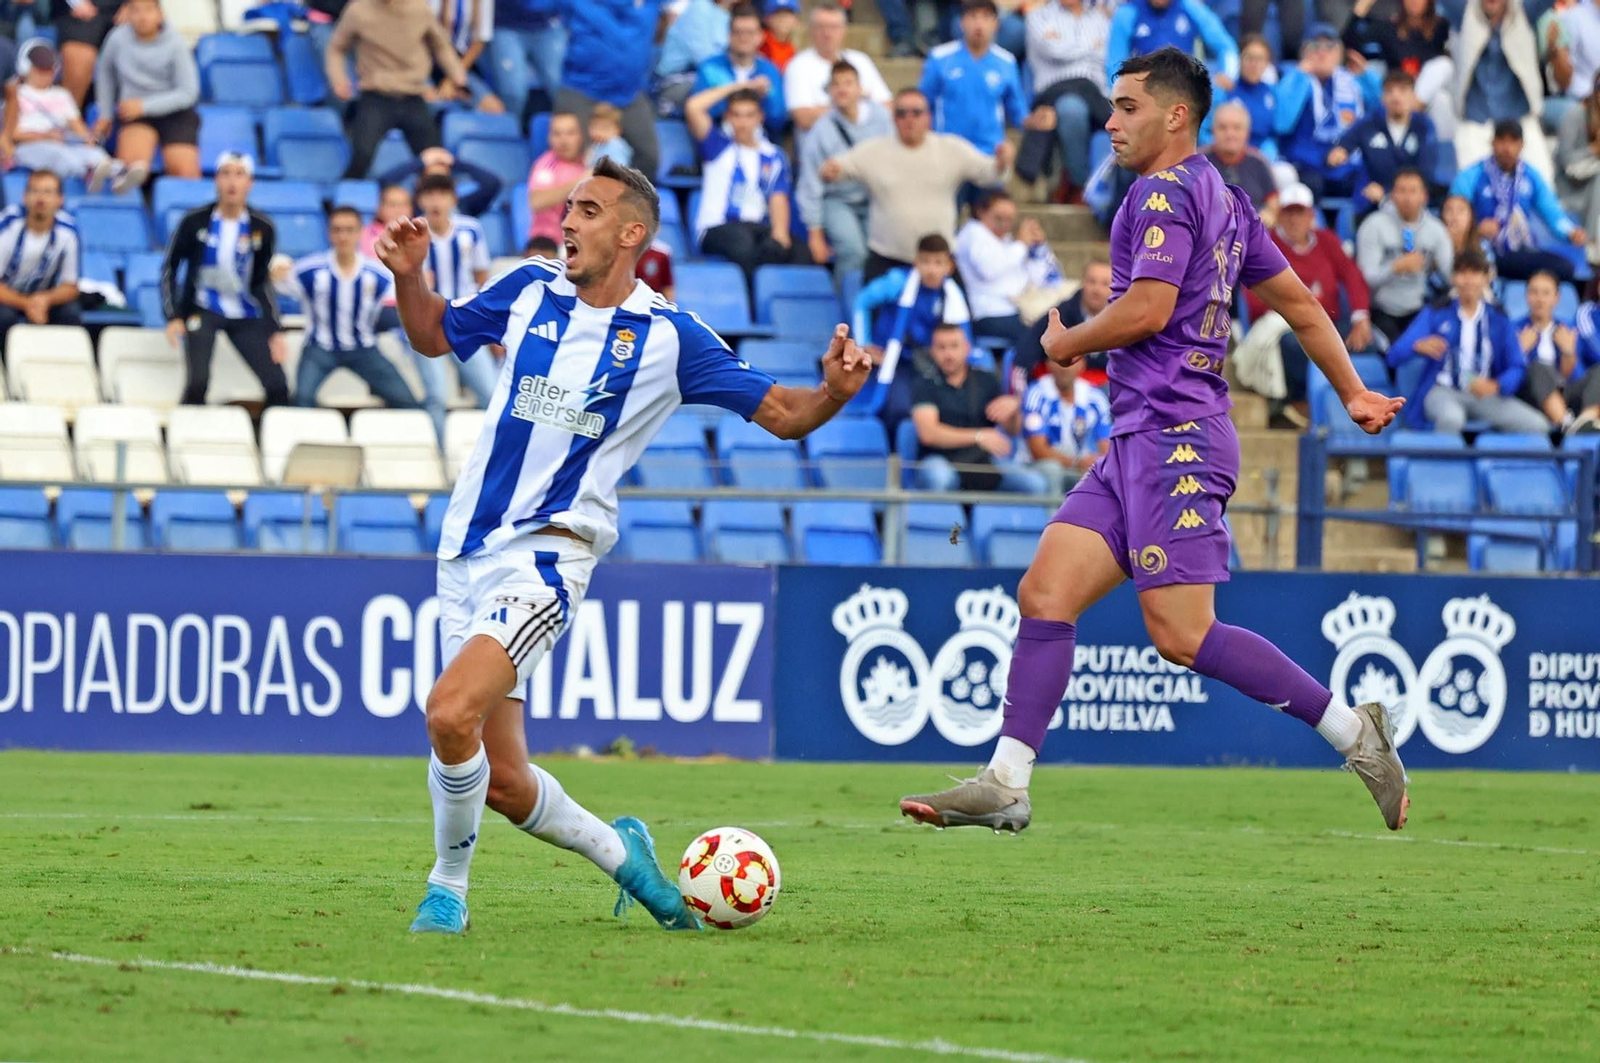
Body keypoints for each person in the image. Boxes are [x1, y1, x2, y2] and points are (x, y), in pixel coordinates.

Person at [898, 47, 1409, 836]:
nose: (1109, 122)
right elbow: (1303, 308)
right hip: (1139, 436)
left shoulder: (1161, 193)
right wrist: (1353, 392)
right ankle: (1007, 779)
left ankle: (1355, 734)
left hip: (1176, 440)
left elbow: (1145, 310)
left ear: (1177, 115)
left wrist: (1069, 344)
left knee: (1182, 635)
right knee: (1045, 593)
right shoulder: (1231, 202)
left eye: (1126, 107)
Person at [374, 155, 870, 934]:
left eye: (589, 210)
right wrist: (410, 274)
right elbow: (433, 334)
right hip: (464, 552)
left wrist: (835, 394)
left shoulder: (669, 337)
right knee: (503, 781)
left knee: (447, 712)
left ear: (631, 232)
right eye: (567, 207)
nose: (567, 221)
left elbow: (779, 410)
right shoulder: (528, 289)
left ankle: (448, 888)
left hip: (547, 557)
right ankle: (630, 859)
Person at [819, 88, 1014, 282]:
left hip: (938, 261)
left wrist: (1002, 162)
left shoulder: (951, 148)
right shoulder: (874, 150)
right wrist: (831, 169)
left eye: (916, 113)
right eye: (902, 113)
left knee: (959, 313)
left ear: (928, 117)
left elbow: (989, 173)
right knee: (871, 311)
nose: (909, 119)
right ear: (894, 119)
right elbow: (841, 166)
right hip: (887, 258)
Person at [1237, 183, 1373, 427]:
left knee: (1370, 344)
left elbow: (1353, 276)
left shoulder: (1327, 241)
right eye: (1289, 212)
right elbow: (1254, 298)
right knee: (1293, 343)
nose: (1295, 219)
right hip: (1286, 322)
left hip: (1328, 320)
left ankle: (1359, 407)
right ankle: (1300, 403)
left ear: (1311, 215)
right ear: (1280, 215)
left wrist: (1360, 316)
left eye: (1300, 212)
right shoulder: (1266, 243)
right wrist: (1298, 311)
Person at [160, 154, 288, 408]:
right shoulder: (194, 221)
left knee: (278, 386)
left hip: (244, 312)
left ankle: (266, 439)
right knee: (198, 382)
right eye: (226, 173)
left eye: (239, 174)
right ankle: (185, 432)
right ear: (216, 180)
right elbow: (170, 268)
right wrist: (173, 315)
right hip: (203, 309)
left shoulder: (262, 227)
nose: (232, 182)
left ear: (250, 183)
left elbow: (262, 280)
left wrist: (274, 329)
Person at [271, 207, 420, 411]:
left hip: (364, 349)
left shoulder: (378, 275)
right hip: (320, 349)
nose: (343, 236)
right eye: (337, 230)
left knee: (407, 401)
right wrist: (274, 269)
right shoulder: (310, 270)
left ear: (360, 232)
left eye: (349, 230)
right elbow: (275, 283)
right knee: (302, 400)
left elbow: (403, 302)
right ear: (329, 233)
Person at [1388, 249, 1550, 432]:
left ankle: (1499, 461)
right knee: (1452, 418)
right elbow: (1394, 355)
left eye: (1475, 273)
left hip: (1484, 395)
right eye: (1462, 273)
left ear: (1486, 279)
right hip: (1443, 391)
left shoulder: (1499, 319)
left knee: (1537, 425)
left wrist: (1496, 385)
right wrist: (1416, 346)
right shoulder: (1435, 313)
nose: (1468, 280)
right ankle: (1445, 460)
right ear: (1453, 278)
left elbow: (1516, 365)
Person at [326, 0, 468, 181]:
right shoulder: (359, 10)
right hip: (375, 97)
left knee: (436, 161)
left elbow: (440, 45)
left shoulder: (420, 9)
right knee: (362, 155)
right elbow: (336, 47)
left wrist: (457, 75)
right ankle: (343, 202)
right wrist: (338, 79)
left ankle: (436, 205)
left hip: (412, 97)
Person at [686, 85, 810, 284]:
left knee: (800, 252)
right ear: (728, 117)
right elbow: (694, 107)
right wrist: (742, 85)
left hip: (758, 229)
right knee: (743, 243)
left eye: (749, 115)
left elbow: (778, 197)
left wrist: (780, 233)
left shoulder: (773, 155)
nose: (742, 123)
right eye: (736, 115)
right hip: (718, 228)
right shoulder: (717, 146)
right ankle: (750, 308)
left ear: (759, 117)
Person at [852, 233, 974, 425]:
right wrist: (863, 343)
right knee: (900, 410)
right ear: (916, 262)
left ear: (949, 266)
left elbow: (964, 337)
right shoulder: (898, 282)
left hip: (930, 362)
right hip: (894, 360)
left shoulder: (952, 295)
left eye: (938, 262)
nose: (931, 269)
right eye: (925, 261)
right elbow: (861, 302)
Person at [911, 323, 1044, 492]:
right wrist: (979, 436)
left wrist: (1014, 407)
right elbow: (928, 434)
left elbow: (1011, 429)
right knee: (939, 476)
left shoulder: (986, 380)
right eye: (941, 348)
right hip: (940, 458)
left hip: (982, 460)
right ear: (932, 351)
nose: (948, 354)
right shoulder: (925, 384)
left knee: (1033, 483)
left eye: (954, 346)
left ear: (967, 348)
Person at [1449, 119, 1587, 281]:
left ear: (1521, 145)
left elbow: (1552, 212)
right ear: (1492, 143)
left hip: (1520, 249)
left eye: (1513, 141)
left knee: (1566, 268)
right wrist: (1477, 229)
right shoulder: (1472, 175)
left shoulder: (1530, 176)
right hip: (1481, 250)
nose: (1507, 148)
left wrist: (1570, 232)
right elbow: (1452, 215)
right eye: (1502, 140)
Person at [415, 173, 500, 433]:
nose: (435, 201)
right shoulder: (414, 233)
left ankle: (491, 457)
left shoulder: (470, 230)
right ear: (420, 200)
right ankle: (440, 460)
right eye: (429, 195)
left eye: (441, 194)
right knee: (437, 396)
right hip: (428, 325)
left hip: (464, 322)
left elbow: (482, 278)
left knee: (492, 394)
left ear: (453, 200)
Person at [797, 60, 892, 279]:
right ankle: (848, 310)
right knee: (853, 252)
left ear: (860, 88)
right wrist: (815, 234)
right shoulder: (821, 130)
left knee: (879, 253)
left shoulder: (883, 120)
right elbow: (810, 183)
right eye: (836, 84)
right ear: (829, 91)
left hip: (875, 198)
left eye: (848, 83)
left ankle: (871, 309)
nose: (842, 89)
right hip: (838, 200)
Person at [92, 0, 202, 183]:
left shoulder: (177, 44)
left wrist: (144, 107)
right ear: (128, 13)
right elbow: (105, 73)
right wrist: (105, 113)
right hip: (134, 114)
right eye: (136, 10)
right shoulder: (116, 38)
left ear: (160, 14)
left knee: (185, 173)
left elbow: (188, 93)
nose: (143, 17)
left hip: (175, 113)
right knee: (131, 170)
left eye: (149, 10)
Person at [553, 0, 665, 180]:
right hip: (581, 90)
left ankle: (627, 205)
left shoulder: (649, 4)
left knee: (649, 157)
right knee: (575, 158)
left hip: (629, 94)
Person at [1019, 0, 1114, 203]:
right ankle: (1079, 183)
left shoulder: (1100, 19)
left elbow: (1107, 56)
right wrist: (1091, 47)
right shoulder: (1038, 16)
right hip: (1053, 91)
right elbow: (1052, 50)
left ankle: (1098, 189)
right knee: (1072, 109)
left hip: (1096, 93)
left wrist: (1064, 44)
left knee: (1120, 117)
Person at [1451, 0, 1554, 179]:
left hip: (1520, 119)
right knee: (1468, 188)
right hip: (1475, 120)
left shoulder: (1524, 10)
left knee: (1544, 179)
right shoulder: (1463, 11)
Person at [9, 38, 124, 193]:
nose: (45, 74)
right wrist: (46, 136)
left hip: (64, 142)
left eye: (49, 69)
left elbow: (78, 126)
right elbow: (12, 134)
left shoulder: (62, 94)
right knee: (62, 157)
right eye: (40, 69)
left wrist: (87, 138)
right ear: (26, 68)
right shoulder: (15, 94)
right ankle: (89, 174)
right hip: (29, 147)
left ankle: (118, 175)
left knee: (97, 154)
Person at [920, 1, 1030, 158]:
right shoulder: (939, 57)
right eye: (973, 17)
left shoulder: (1007, 62)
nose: (979, 24)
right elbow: (923, 104)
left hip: (989, 155)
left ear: (996, 24)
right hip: (947, 154)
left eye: (986, 17)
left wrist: (1034, 122)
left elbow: (1018, 113)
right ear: (961, 22)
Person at [1357, 168, 1455, 343]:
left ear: (1424, 196)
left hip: (1419, 309)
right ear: (1392, 195)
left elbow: (1450, 276)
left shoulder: (1436, 230)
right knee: (1391, 351)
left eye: (1413, 191)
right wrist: (1395, 267)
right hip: (1380, 310)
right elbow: (1365, 278)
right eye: (1401, 191)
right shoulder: (1373, 225)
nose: (1408, 198)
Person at [1328, 70, 1442, 213]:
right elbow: (1344, 146)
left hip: (1411, 198)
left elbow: (1426, 171)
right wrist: (1339, 153)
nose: (1396, 96)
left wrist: (1389, 193)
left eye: (1402, 90)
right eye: (1389, 91)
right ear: (1382, 98)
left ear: (1413, 97)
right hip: (1373, 198)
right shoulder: (1368, 123)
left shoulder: (1424, 127)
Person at [1274, 24, 1366, 199]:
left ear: (1339, 54)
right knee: (1311, 185)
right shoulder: (1292, 78)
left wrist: (1366, 75)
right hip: (1305, 164)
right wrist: (1299, 77)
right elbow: (1282, 123)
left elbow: (1377, 113)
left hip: (1345, 163)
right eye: (1315, 47)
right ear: (1304, 53)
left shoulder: (1351, 82)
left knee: (1366, 184)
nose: (1322, 53)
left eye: (1330, 47)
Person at [955, 190, 1049, 352]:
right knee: (1042, 336)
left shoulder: (1007, 240)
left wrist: (1039, 248)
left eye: (1009, 220)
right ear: (981, 212)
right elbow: (989, 270)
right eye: (999, 218)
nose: (1004, 225)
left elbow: (1036, 278)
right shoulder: (972, 233)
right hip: (989, 315)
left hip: (1018, 309)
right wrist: (1021, 245)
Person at [1344, 0, 1454, 137]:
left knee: (1443, 72)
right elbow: (1350, 43)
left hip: (1426, 97)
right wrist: (1361, 9)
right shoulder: (1390, 27)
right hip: (1396, 93)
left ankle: (1412, 108)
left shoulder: (1440, 27)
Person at [785, 2, 893, 134]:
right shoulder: (798, 65)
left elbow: (888, 107)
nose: (827, 33)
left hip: (866, 143)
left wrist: (830, 108)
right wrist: (855, 104)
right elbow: (803, 117)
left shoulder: (860, 60)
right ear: (811, 31)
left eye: (834, 27)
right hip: (823, 146)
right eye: (821, 27)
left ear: (844, 30)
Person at [0, 170, 81, 345]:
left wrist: (45, 300)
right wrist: (26, 303)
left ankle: (61, 363)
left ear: (60, 200)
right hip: (7, 296)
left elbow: (71, 286)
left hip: (42, 297)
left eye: (48, 192)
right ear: (24, 197)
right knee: (4, 316)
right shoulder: (7, 225)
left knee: (70, 313)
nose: (41, 198)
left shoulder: (68, 232)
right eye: (35, 191)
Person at [1013, 253, 1112, 389]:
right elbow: (1026, 353)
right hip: (1060, 391)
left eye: (1105, 283)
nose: (1097, 289)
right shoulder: (1059, 315)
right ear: (1083, 282)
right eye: (1092, 281)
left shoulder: (1124, 320)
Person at [691, 3, 788, 141]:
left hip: (759, 145)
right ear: (729, 35)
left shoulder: (769, 71)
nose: (743, 38)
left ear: (760, 36)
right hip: (718, 145)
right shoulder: (710, 67)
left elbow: (778, 121)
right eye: (738, 32)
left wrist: (766, 97)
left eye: (750, 32)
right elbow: (701, 114)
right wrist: (740, 91)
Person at [1021, 355, 1111, 495]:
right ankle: (1052, 516)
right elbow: (1037, 450)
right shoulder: (1037, 393)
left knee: (1105, 473)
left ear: (1082, 365)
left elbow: (1106, 449)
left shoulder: (1095, 397)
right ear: (1048, 364)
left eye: (1071, 362)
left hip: (1080, 466)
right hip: (1039, 465)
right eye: (1058, 362)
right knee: (1052, 470)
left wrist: (1095, 463)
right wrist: (1076, 463)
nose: (1064, 368)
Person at [1512, 268, 1588, 427]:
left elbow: (1575, 378)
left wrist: (1569, 354)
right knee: (1538, 367)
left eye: (1546, 293)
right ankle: (1567, 424)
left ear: (1556, 298)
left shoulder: (1568, 330)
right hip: (1528, 395)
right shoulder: (1513, 330)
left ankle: (1585, 421)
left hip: (1564, 393)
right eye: (1534, 292)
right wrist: (1519, 351)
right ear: (1526, 296)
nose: (1540, 299)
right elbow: (1505, 375)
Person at [485, 0, 567, 122]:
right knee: (514, 93)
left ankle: (572, 137)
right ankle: (508, 136)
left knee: (563, 88)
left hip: (548, 25)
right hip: (506, 25)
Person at [1202, 101, 1279, 224]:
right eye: (1223, 127)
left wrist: (1268, 215)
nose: (1230, 134)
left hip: (1251, 233)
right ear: (1213, 131)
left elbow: (1273, 204)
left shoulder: (1259, 162)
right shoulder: (1198, 162)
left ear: (1247, 132)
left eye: (1236, 128)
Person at [375, 146, 503, 218]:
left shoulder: (464, 206)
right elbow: (385, 182)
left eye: (443, 186)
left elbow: (492, 183)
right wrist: (421, 161)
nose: (436, 198)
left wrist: (454, 162)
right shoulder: (414, 208)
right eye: (430, 187)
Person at [428, 0, 506, 113]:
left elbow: (480, 41)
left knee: (495, 109)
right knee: (433, 102)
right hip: (427, 61)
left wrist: (451, 80)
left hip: (460, 62)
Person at [1555, 71, 1600, 256]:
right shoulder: (1574, 115)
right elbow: (1566, 161)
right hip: (1571, 187)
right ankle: (1591, 244)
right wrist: (1594, 150)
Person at [526, 113, 588, 244]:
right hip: (549, 244)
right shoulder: (546, 165)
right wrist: (580, 181)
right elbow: (536, 202)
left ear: (580, 137)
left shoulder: (588, 163)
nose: (564, 140)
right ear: (549, 138)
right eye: (557, 134)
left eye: (570, 133)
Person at [56, 0, 121, 106]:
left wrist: (133, 5)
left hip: (129, 7)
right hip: (81, 10)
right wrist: (76, 3)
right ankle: (69, 117)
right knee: (79, 55)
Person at [1225, 34, 1280, 157]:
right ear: (1239, 59)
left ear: (1267, 63)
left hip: (1264, 157)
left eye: (1260, 59)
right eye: (1249, 58)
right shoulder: (1225, 90)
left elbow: (1279, 129)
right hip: (1228, 156)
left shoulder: (1272, 93)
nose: (1254, 64)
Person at [761, 0, 800, 71]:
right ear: (766, 18)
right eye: (777, 13)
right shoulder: (760, 43)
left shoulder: (792, 50)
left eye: (787, 14)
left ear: (796, 20)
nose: (782, 19)